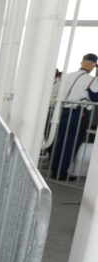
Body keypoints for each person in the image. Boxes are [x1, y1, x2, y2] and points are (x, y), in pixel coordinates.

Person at [50, 53, 98, 181]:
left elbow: (56, 91)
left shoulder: (67, 76)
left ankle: (54, 170)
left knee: (60, 142)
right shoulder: (91, 80)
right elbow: (95, 98)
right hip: (78, 114)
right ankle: (62, 173)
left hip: (62, 112)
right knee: (71, 144)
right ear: (93, 64)